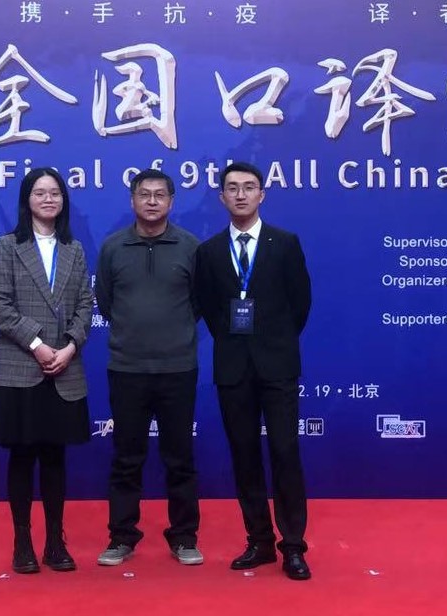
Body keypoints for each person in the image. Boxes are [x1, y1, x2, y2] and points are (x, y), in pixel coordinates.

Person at [194, 162, 313, 581]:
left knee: (285, 452)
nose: (241, 194)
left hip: (278, 365)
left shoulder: (285, 243)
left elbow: (300, 304)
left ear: (262, 195)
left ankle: (293, 546)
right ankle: (259, 541)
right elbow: (209, 309)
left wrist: (272, 341)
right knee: (244, 456)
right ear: (222, 197)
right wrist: (235, 343)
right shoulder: (209, 252)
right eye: (232, 188)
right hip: (233, 367)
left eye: (249, 187)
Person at [0, 167, 95, 575]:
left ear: (64, 200)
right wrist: (37, 345)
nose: (48, 199)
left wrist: (69, 347)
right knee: (22, 456)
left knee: (55, 457)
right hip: (20, 366)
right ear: (27, 200)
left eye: (55, 193)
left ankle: (54, 542)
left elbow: (86, 305)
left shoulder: (74, 249)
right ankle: (22, 542)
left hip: (64, 367)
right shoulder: (7, 246)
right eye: (40, 193)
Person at [94, 169, 204, 567]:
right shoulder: (113, 247)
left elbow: (199, 304)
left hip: (177, 368)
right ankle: (122, 537)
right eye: (145, 194)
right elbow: (106, 302)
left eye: (160, 195)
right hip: (127, 367)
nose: (152, 201)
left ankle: (184, 537)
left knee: (180, 458)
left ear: (172, 202)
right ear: (133, 201)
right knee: (127, 458)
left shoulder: (191, 247)